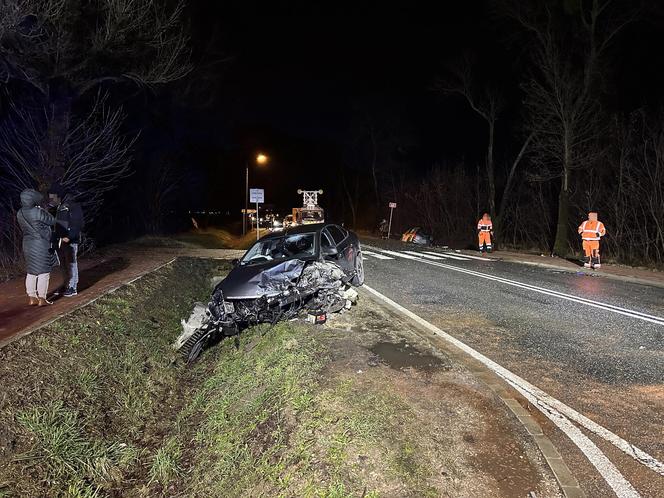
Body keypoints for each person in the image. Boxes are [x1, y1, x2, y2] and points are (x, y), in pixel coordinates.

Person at [16, 189, 63, 306]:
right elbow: (52, 221)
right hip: (41, 244)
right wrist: (44, 210)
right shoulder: (37, 211)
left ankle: (32, 297)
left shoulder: (20, 213)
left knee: (31, 271)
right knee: (44, 272)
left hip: (27, 244)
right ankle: (42, 298)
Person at [48, 183, 84, 297]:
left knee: (71, 263)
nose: (50, 199)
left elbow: (78, 223)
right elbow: (57, 226)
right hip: (60, 242)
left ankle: (73, 287)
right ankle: (66, 284)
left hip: (70, 241)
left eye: (52, 197)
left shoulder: (73, 205)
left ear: (59, 196)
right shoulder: (58, 207)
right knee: (63, 264)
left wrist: (69, 236)